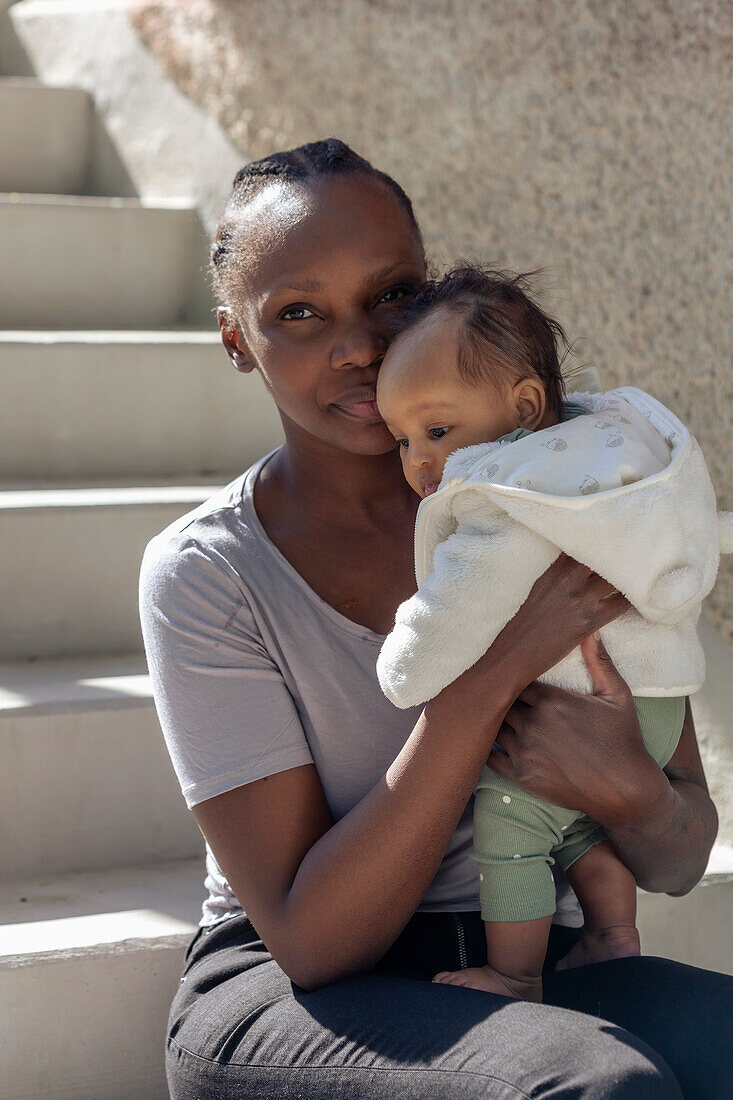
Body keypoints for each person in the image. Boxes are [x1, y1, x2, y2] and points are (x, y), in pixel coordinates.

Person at [139, 138, 731, 1099]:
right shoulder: (208, 573)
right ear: (237, 341)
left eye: (390, 296)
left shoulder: (556, 496)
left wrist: (626, 788)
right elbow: (314, 939)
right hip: (291, 996)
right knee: (597, 1085)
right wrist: (494, 673)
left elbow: (676, 859)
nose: (360, 347)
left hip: (529, 955)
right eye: (298, 313)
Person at [375, 264, 728, 1003]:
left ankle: (513, 973)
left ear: (526, 406)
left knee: (509, 824)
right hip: (650, 702)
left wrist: (402, 666)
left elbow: (457, 611)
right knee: (576, 835)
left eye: (436, 430)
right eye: (401, 439)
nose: (419, 461)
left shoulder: (507, 500)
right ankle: (611, 934)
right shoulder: (604, 470)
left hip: (576, 710)